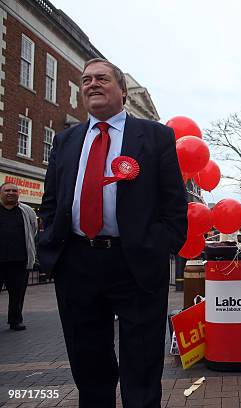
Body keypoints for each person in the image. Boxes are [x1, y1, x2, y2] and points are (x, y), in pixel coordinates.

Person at [39, 58, 187, 407]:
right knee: (89, 365)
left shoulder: (156, 136)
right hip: (77, 262)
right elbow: (51, 202)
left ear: (122, 90)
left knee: (142, 365)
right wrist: (51, 250)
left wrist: (157, 246)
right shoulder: (65, 141)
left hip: (134, 262)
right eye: (87, 79)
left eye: (102, 78)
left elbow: (174, 205)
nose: (92, 84)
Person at [0, 182, 37, 331]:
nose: (11, 193)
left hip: (19, 261)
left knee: (17, 293)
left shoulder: (27, 211)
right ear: (1, 193)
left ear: (18, 194)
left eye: (14, 191)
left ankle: (15, 320)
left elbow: (33, 230)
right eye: (7, 190)